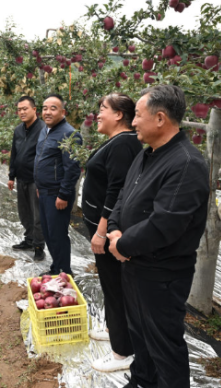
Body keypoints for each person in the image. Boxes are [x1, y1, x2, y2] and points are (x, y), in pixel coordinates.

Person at [107, 85, 209, 388]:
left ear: (160, 118)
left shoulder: (186, 163)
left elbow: (165, 223)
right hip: (135, 266)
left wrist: (121, 244)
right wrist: (114, 228)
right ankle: (141, 381)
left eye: (138, 115)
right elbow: (124, 197)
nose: (133, 121)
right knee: (140, 334)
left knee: (164, 345)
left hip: (162, 275)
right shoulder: (146, 155)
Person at [81, 94, 142, 372]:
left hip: (106, 230)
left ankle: (122, 352)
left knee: (116, 288)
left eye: (102, 108)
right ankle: (116, 331)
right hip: (103, 226)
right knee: (111, 284)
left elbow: (116, 191)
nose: (97, 114)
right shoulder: (119, 142)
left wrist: (101, 231)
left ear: (119, 115)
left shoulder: (123, 144)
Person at [34, 94, 82, 276]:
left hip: (57, 194)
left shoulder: (69, 134)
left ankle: (64, 272)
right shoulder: (44, 131)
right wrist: (39, 185)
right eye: (45, 108)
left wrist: (63, 194)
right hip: (44, 191)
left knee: (57, 235)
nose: (47, 112)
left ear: (63, 112)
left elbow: (72, 168)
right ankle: (56, 268)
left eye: (53, 108)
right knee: (48, 233)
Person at [8, 96, 46, 261]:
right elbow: (14, 153)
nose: (22, 112)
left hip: (36, 181)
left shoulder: (43, 129)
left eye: (25, 109)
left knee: (37, 216)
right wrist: (11, 175)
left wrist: (42, 182)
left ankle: (39, 246)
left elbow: (45, 157)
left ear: (34, 109)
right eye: (19, 110)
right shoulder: (18, 130)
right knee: (24, 213)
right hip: (21, 178)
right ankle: (29, 240)